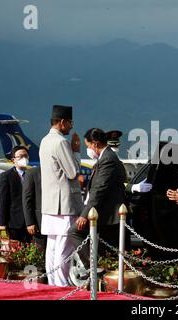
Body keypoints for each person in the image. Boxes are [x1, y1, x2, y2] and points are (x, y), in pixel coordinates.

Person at [69, 128, 127, 269]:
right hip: (106, 211)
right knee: (107, 249)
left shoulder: (107, 159)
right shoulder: (105, 157)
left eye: (88, 146)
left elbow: (99, 190)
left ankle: (93, 266)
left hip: (107, 212)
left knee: (74, 232)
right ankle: (100, 267)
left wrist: (84, 215)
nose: (88, 149)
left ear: (95, 144)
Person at [39, 105, 84, 287]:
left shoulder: (44, 140)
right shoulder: (60, 142)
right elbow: (73, 171)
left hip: (50, 203)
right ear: (62, 122)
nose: (72, 126)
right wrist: (76, 151)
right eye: (70, 122)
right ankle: (60, 286)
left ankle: (52, 283)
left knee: (52, 247)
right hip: (64, 203)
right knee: (64, 247)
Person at [0, 145, 31, 243]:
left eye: (26, 156)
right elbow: (2, 200)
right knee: (15, 251)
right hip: (14, 222)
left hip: (31, 222)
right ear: (13, 160)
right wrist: (2, 223)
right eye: (20, 156)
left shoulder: (32, 175)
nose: (24, 158)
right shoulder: (6, 176)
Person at [22, 166, 47, 249]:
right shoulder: (33, 173)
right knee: (41, 250)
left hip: (59, 222)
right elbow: (27, 199)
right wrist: (30, 222)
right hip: (40, 222)